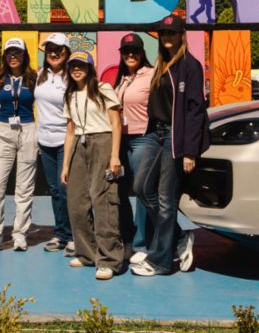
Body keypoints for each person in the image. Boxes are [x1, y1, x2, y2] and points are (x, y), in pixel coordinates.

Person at [131, 14, 209, 277]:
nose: (166, 38)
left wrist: (189, 151)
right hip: (156, 135)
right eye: (163, 34)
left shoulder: (190, 66)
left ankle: (161, 262)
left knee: (166, 200)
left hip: (175, 139)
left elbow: (196, 110)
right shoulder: (162, 66)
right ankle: (178, 238)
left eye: (171, 34)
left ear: (181, 35)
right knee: (141, 188)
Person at [61, 49, 124, 280]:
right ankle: (87, 254)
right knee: (76, 202)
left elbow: (116, 123)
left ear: (89, 68)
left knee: (104, 199)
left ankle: (109, 259)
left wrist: (114, 155)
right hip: (79, 144)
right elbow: (69, 131)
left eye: (81, 65)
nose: (77, 69)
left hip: (103, 141)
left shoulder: (103, 89)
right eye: (73, 66)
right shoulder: (70, 94)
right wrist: (65, 164)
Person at [0, 37, 37, 254]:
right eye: (9, 53)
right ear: (5, 56)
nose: (13, 57)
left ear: (24, 55)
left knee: (24, 188)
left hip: (28, 130)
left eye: (17, 53)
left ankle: (20, 234)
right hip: (4, 130)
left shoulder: (34, 78)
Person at [112, 33, 156, 262]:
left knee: (141, 191)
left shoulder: (151, 74)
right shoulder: (122, 78)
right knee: (120, 190)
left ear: (142, 53)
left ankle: (141, 244)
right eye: (126, 51)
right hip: (123, 141)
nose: (131, 54)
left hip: (143, 139)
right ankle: (128, 237)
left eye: (135, 50)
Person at [34, 33, 74, 256]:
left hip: (65, 141)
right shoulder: (40, 75)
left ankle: (74, 236)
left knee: (66, 189)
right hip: (45, 141)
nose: (54, 53)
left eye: (58, 49)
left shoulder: (71, 77)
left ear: (66, 52)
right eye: (50, 49)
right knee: (55, 191)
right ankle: (60, 234)